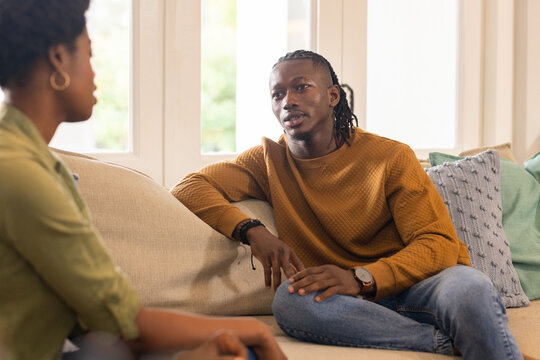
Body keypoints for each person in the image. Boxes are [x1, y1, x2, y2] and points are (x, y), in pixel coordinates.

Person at [171, 49, 531, 359]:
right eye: (277, 94)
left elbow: (438, 244)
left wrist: (361, 278)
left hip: (423, 283)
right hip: (350, 305)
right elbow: (190, 186)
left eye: (301, 87)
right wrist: (252, 231)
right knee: (289, 301)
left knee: (472, 288)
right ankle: (439, 342)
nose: (288, 101)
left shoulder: (389, 156)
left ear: (332, 96)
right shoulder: (268, 160)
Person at [0, 1, 286, 359]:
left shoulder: (37, 161)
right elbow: (122, 321)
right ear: (59, 59)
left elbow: (92, 319)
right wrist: (251, 328)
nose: (94, 73)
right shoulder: (21, 173)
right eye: (88, 55)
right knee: (243, 348)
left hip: (77, 341)